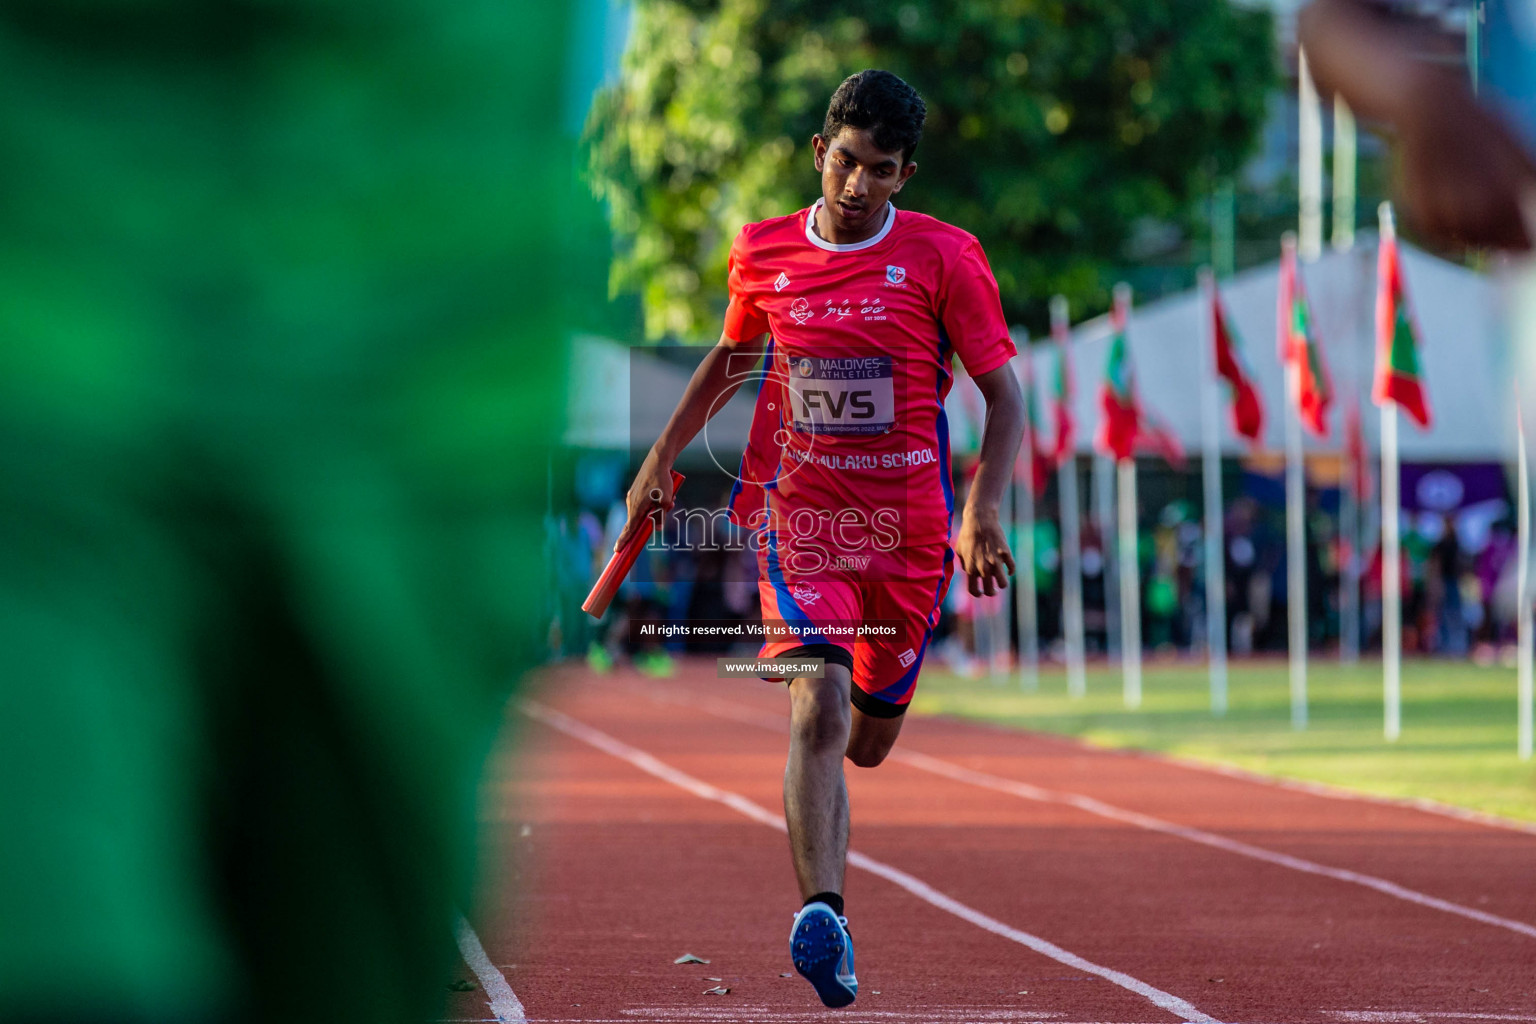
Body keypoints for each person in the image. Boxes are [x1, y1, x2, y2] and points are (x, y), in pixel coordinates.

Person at [615, 70, 1024, 1007]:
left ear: (903, 175)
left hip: (911, 537)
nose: (856, 184)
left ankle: (831, 840)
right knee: (817, 703)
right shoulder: (761, 252)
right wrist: (660, 458)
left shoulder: (946, 258)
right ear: (818, 152)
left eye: (879, 170)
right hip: (803, 524)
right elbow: (729, 356)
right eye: (844, 161)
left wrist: (981, 509)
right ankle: (824, 917)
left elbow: (1006, 399)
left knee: (869, 743)